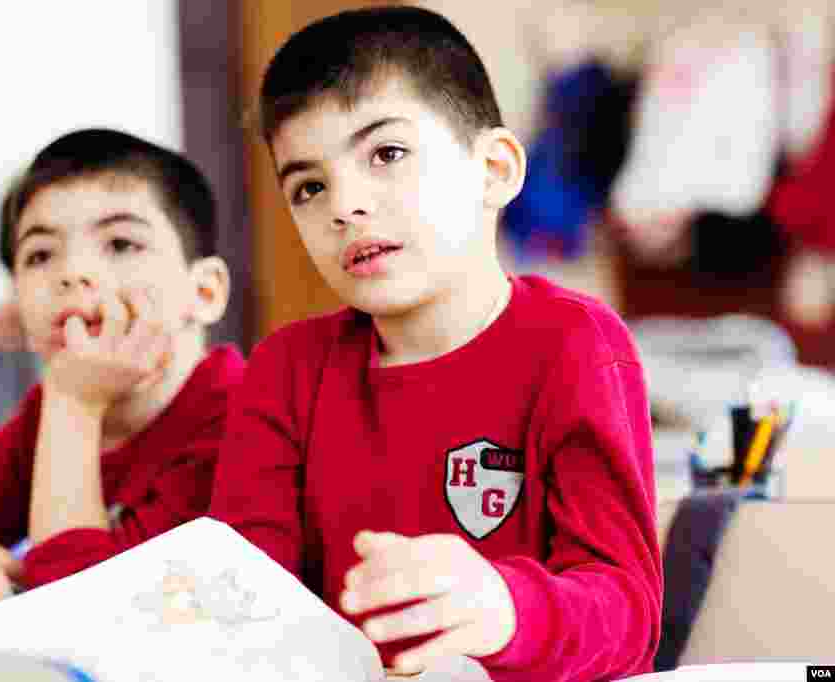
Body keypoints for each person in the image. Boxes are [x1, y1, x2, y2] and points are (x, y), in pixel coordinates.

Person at [209, 7, 661, 681]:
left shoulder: (574, 342)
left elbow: (629, 615)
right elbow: (242, 602)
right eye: (309, 186)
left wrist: (505, 608)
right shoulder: (284, 368)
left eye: (386, 155)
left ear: (495, 170)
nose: (344, 205)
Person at [0, 128, 245, 615]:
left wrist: (74, 405)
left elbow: (86, 622)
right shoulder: (41, 416)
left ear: (204, 293)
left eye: (120, 244)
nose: (72, 273)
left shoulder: (244, 415)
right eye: (40, 255)